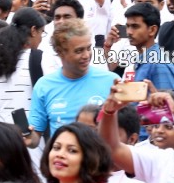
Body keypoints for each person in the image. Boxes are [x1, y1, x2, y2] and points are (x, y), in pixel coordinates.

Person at [27, 18, 119, 149]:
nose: (86, 55)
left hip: (101, 165)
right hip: (62, 165)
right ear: (60, 52)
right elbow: (35, 138)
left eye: (88, 48)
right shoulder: (44, 86)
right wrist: (26, 137)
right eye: (79, 51)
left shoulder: (111, 81)